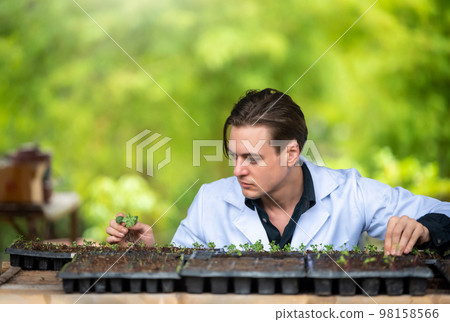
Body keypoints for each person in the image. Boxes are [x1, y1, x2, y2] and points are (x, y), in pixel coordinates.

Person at [106, 88, 450, 255]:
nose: (238, 170)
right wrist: (149, 253)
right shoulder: (211, 200)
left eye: (252, 158)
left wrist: (424, 230)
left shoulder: (351, 193)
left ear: (291, 153)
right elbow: (178, 275)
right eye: (233, 156)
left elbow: (445, 215)